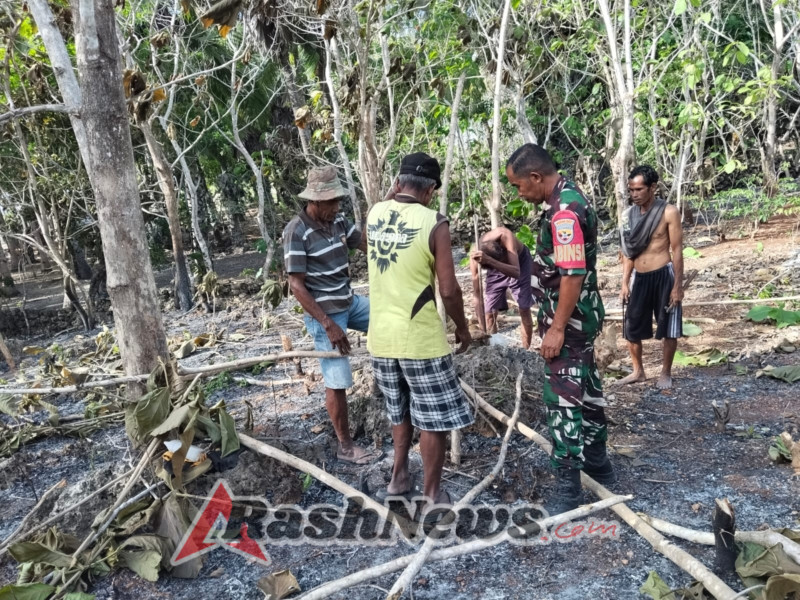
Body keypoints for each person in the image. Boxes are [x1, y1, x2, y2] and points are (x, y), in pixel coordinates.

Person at [505, 143, 615, 514]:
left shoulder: (564, 212)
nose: (519, 193)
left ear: (536, 177)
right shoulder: (567, 198)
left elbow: (572, 274)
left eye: (519, 185)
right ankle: (599, 463)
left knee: (563, 398)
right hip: (580, 314)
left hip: (570, 319)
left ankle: (567, 485)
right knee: (588, 386)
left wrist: (556, 328)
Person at [366, 152, 473, 506]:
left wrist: (393, 194)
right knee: (432, 419)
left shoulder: (375, 214)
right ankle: (431, 494)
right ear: (431, 191)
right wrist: (463, 329)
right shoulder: (435, 223)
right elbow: (449, 290)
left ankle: (399, 478)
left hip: (381, 338)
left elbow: (385, 209)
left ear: (397, 182)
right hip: (420, 340)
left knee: (398, 411)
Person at [282, 166, 379, 465]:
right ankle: (345, 446)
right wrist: (328, 324)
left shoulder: (337, 220)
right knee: (337, 379)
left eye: (338, 200)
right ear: (314, 201)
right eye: (332, 202)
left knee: (390, 319)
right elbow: (296, 285)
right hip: (324, 313)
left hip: (350, 301)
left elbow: (364, 243)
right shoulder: (296, 231)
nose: (337, 207)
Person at [618, 165, 684, 390]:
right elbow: (628, 252)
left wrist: (677, 286)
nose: (634, 194)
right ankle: (638, 371)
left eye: (639, 189)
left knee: (668, 327)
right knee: (631, 326)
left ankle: (666, 372)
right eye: (631, 190)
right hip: (639, 277)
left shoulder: (669, 212)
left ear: (652, 187)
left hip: (663, 274)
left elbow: (677, 250)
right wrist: (624, 282)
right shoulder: (627, 216)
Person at [469, 227, 534, 348]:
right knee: (489, 312)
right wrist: (483, 330)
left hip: (519, 264)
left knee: (524, 309)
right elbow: (477, 296)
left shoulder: (505, 236)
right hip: (493, 265)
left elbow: (516, 272)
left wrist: (491, 261)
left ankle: (525, 350)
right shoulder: (475, 256)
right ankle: (493, 347)